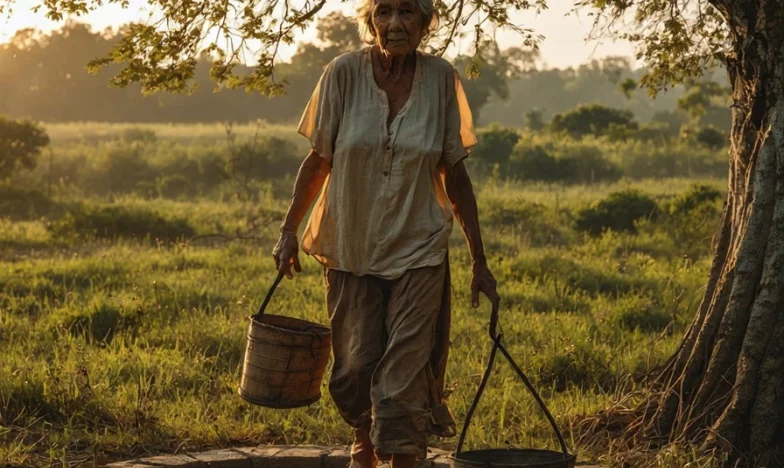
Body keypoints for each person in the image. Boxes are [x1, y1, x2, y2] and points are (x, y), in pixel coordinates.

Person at [272, 0, 499, 465]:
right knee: (356, 368)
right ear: (370, 21)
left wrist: (479, 260)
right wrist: (288, 230)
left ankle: (401, 456)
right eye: (384, 13)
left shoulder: (441, 80)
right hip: (349, 245)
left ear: (425, 23)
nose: (394, 24)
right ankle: (365, 437)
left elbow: (455, 176)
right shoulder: (342, 74)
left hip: (419, 249)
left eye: (407, 14)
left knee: (403, 377)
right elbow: (319, 160)